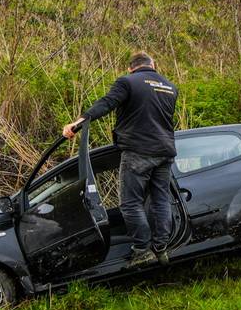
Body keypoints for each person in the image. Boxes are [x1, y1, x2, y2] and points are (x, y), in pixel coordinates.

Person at [62, 52, 179, 269]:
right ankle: (161, 248)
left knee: (130, 203)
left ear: (131, 68)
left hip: (138, 151)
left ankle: (142, 251)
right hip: (165, 151)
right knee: (161, 200)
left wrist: (76, 124)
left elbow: (107, 103)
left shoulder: (128, 81)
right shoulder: (170, 86)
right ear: (153, 65)